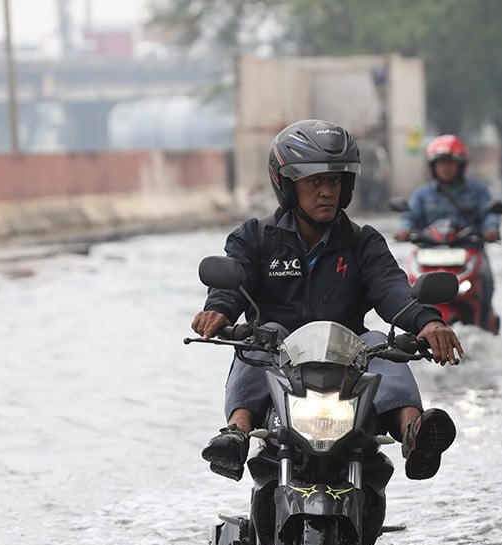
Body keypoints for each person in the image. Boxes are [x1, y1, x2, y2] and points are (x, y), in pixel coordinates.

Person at [192, 118, 464, 485]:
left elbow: (392, 288)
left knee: (379, 343)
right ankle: (236, 434)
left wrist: (428, 322)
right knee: (260, 335)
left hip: (349, 358)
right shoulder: (255, 238)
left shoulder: (363, 242)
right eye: (315, 181)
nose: (326, 192)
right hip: (281, 358)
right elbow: (232, 285)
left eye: (334, 181)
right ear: (288, 186)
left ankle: (415, 433)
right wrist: (219, 311)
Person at [394, 134, 500, 329]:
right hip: (429, 253)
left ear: (461, 165)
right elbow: (410, 216)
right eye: (441, 162)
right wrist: (405, 230)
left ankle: (484, 322)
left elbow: (490, 214)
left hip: (468, 251)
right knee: (408, 286)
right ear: (433, 166)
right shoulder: (422, 194)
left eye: (451, 162)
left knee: (486, 278)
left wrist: (491, 229)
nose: (446, 167)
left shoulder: (478, 191)